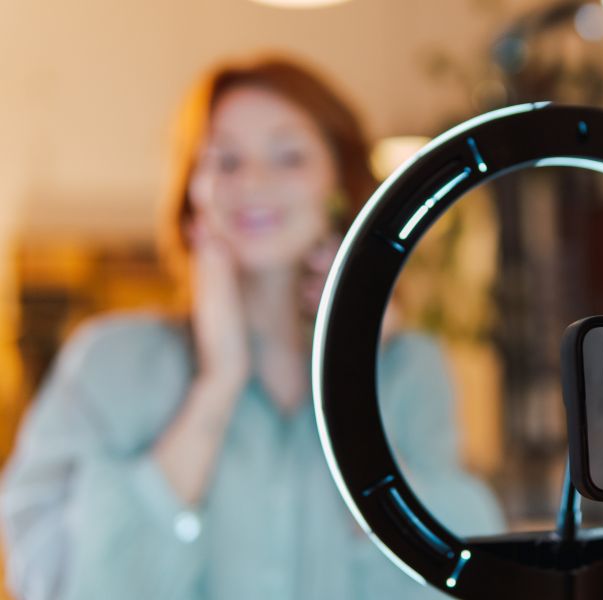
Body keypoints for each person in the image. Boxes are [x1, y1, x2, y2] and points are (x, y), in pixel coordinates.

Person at [0, 56, 502, 600]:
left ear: (341, 188)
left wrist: (353, 370)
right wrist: (218, 385)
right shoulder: (109, 360)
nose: (254, 182)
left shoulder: (406, 366)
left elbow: (456, 578)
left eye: (288, 157)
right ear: (192, 195)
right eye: (225, 160)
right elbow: (58, 583)